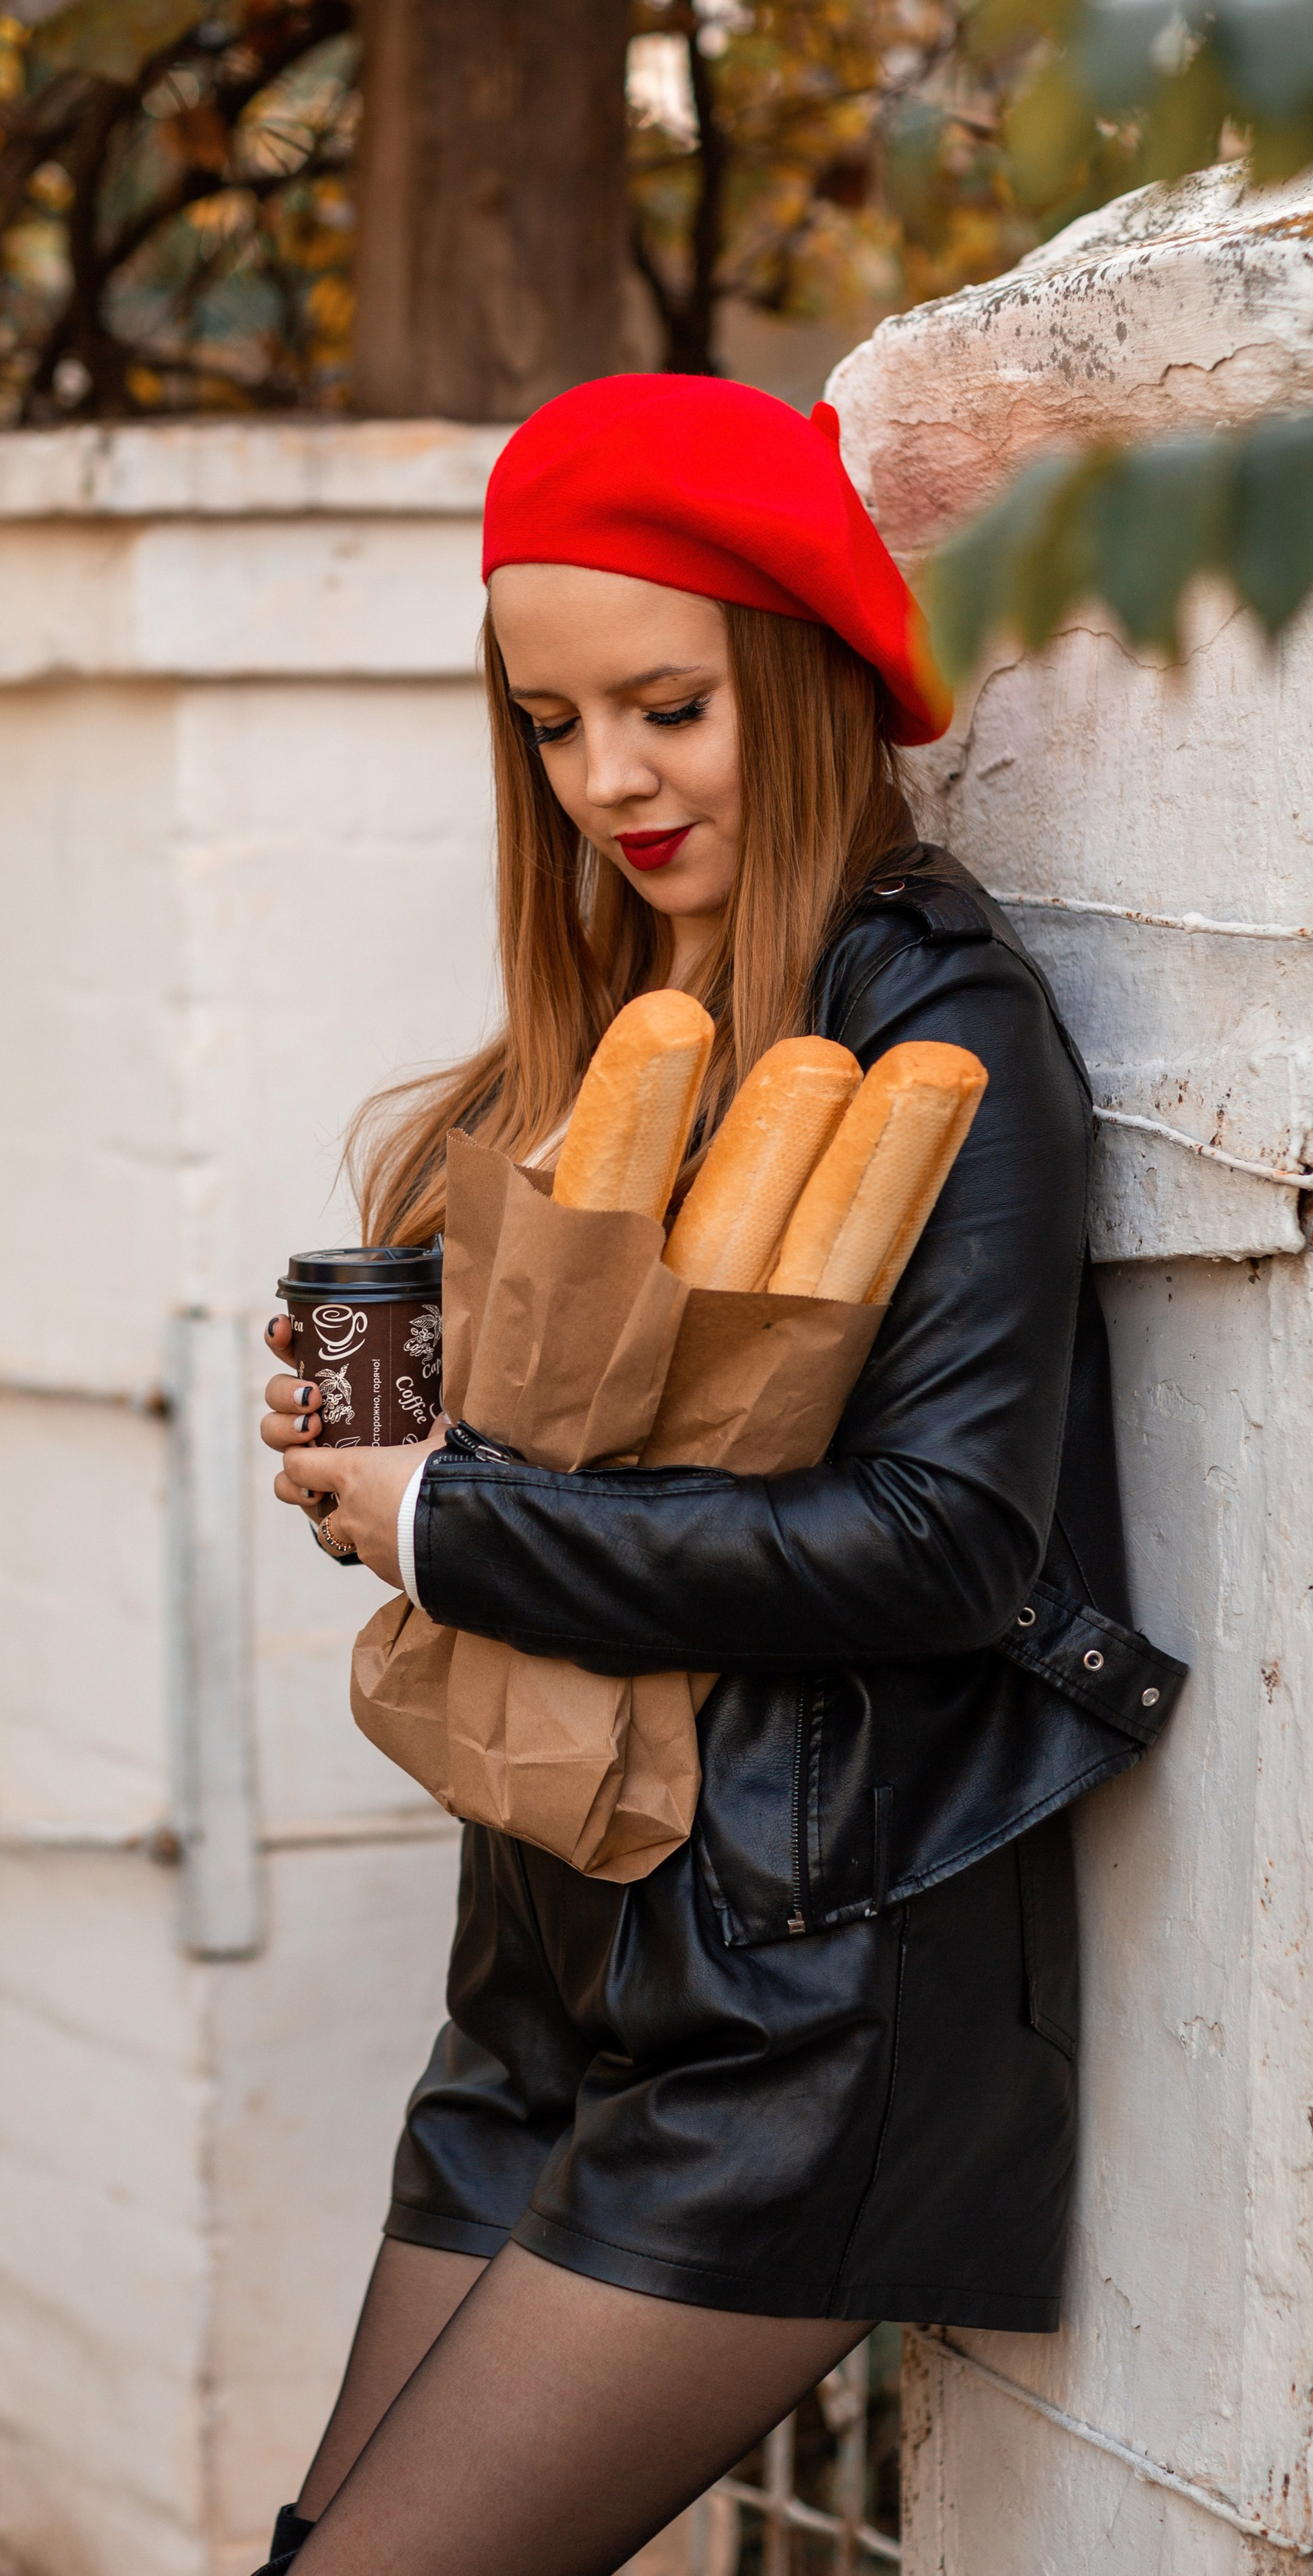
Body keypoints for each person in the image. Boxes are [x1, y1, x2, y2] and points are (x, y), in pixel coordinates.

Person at [253, 375, 1183, 2576]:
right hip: (548, 1973)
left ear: (802, 667)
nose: (612, 781)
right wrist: (364, 1438)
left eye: (666, 705)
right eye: (557, 729)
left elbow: (950, 1545)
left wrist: (450, 1516)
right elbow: (534, 1462)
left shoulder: (942, 1043)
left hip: (800, 2011)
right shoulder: (590, 1034)